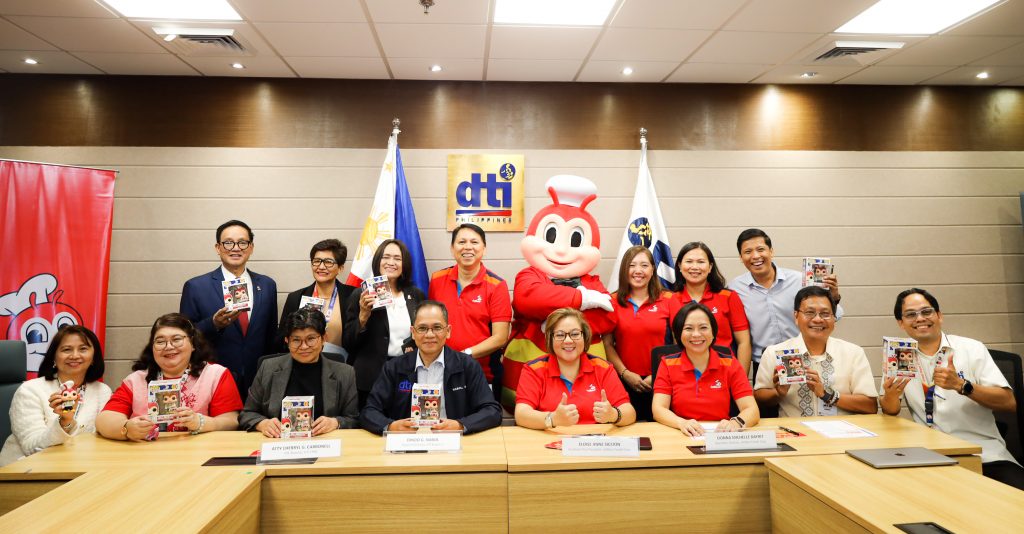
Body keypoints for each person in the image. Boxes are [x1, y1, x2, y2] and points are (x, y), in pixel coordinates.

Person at [881, 288, 1023, 490]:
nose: (920, 318)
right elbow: (890, 410)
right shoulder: (899, 354)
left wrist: (961, 385)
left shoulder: (971, 348)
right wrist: (890, 396)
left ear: (939, 316)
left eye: (926, 312)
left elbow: (1008, 402)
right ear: (901, 323)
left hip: (983, 454)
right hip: (929, 456)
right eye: (911, 314)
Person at [361, 301, 502, 434]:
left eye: (437, 327)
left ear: (448, 331)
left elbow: (492, 411)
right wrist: (391, 426)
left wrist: (460, 425)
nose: (429, 335)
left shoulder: (467, 366)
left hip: (453, 440)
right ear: (413, 332)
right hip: (407, 443)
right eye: (422, 328)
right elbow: (369, 412)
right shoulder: (394, 367)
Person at [96, 313, 242, 441]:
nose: (169, 346)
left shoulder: (215, 375)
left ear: (193, 344)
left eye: (176, 339)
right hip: (145, 454)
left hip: (197, 454)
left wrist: (201, 423)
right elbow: (104, 419)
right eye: (160, 341)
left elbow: (231, 421)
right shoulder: (136, 380)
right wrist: (127, 428)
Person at [180, 219, 278, 398]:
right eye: (228, 243)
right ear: (218, 248)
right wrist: (214, 324)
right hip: (214, 377)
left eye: (242, 242)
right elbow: (184, 336)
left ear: (251, 247)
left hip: (259, 379)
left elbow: (271, 335)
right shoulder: (196, 287)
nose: (236, 248)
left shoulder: (267, 285)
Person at [728, 228, 844, 378]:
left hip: (803, 359)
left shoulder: (799, 281)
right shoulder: (735, 288)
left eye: (761, 249)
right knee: (766, 394)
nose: (755, 256)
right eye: (748, 252)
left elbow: (836, 315)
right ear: (741, 257)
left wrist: (833, 296)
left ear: (771, 251)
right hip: (764, 363)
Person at [754, 286, 877, 417]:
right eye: (809, 312)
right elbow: (758, 398)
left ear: (834, 318)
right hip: (794, 428)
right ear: (796, 316)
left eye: (825, 314)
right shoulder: (774, 352)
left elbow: (870, 406)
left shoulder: (853, 353)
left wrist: (827, 395)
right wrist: (778, 393)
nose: (818, 319)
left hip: (842, 428)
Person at [0, 326, 111, 466]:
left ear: (94, 357)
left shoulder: (102, 391)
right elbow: (32, 447)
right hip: (27, 470)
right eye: (67, 350)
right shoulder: (30, 390)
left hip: (81, 466)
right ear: (54, 356)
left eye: (83, 349)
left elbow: (102, 440)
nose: (75, 355)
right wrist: (64, 423)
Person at [240, 309, 358, 437]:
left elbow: (353, 419)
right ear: (287, 340)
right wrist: (262, 423)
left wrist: (336, 422)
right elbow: (247, 414)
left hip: (323, 442)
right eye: (296, 340)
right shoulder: (268, 368)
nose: (304, 347)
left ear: (324, 338)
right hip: (278, 442)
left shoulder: (344, 373)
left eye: (311, 339)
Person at [515, 308, 636, 429]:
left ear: (585, 336)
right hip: (550, 438)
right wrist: (552, 419)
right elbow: (521, 414)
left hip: (594, 439)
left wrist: (613, 415)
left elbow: (629, 412)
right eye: (560, 335)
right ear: (549, 338)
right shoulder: (533, 370)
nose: (568, 340)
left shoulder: (603, 368)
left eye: (575, 334)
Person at [428, 224, 512, 395]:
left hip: (483, 375)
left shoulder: (497, 285)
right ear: (452, 248)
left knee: (483, 413)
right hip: (441, 372)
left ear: (484, 249)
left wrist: (464, 355)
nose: (468, 247)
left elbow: (500, 337)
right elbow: (430, 324)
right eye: (461, 242)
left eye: (474, 242)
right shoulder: (437, 279)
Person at [652, 302, 759, 436]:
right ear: (679, 334)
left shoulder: (730, 363)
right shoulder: (667, 364)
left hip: (721, 435)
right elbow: (658, 409)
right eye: (688, 328)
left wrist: (735, 423)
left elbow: (752, 409)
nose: (696, 334)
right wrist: (681, 423)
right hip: (682, 434)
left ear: (713, 332)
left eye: (703, 327)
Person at [343, 239, 425, 408]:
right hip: (369, 377)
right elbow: (348, 343)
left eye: (397, 258)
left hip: (406, 372)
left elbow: (423, 332)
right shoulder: (361, 294)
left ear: (404, 264)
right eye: (386, 257)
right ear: (377, 261)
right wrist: (363, 316)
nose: (391, 262)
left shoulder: (416, 295)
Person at [603, 246, 680, 422]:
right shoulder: (612, 301)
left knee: (661, 430)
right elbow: (607, 344)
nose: (638, 271)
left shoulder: (670, 299)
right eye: (632, 265)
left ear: (652, 270)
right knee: (626, 429)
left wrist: (657, 373)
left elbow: (679, 344)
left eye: (644, 265)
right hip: (624, 381)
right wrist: (625, 373)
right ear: (624, 270)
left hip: (663, 380)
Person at [672, 241, 752, 373]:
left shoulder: (728, 297)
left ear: (710, 267)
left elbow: (744, 342)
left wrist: (740, 379)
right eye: (689, 261)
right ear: (680, 266)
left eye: (701, 262)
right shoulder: (670, 299)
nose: (695, 267)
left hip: (725, 371)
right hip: (685, 374)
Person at [278, 239, 355, 359]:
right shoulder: (296, 297)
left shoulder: (352, 296)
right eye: (317, 261)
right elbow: (283, 339)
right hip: (303, 363)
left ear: (340, 268)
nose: (321, 266)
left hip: (341, 364)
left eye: (328, 262)